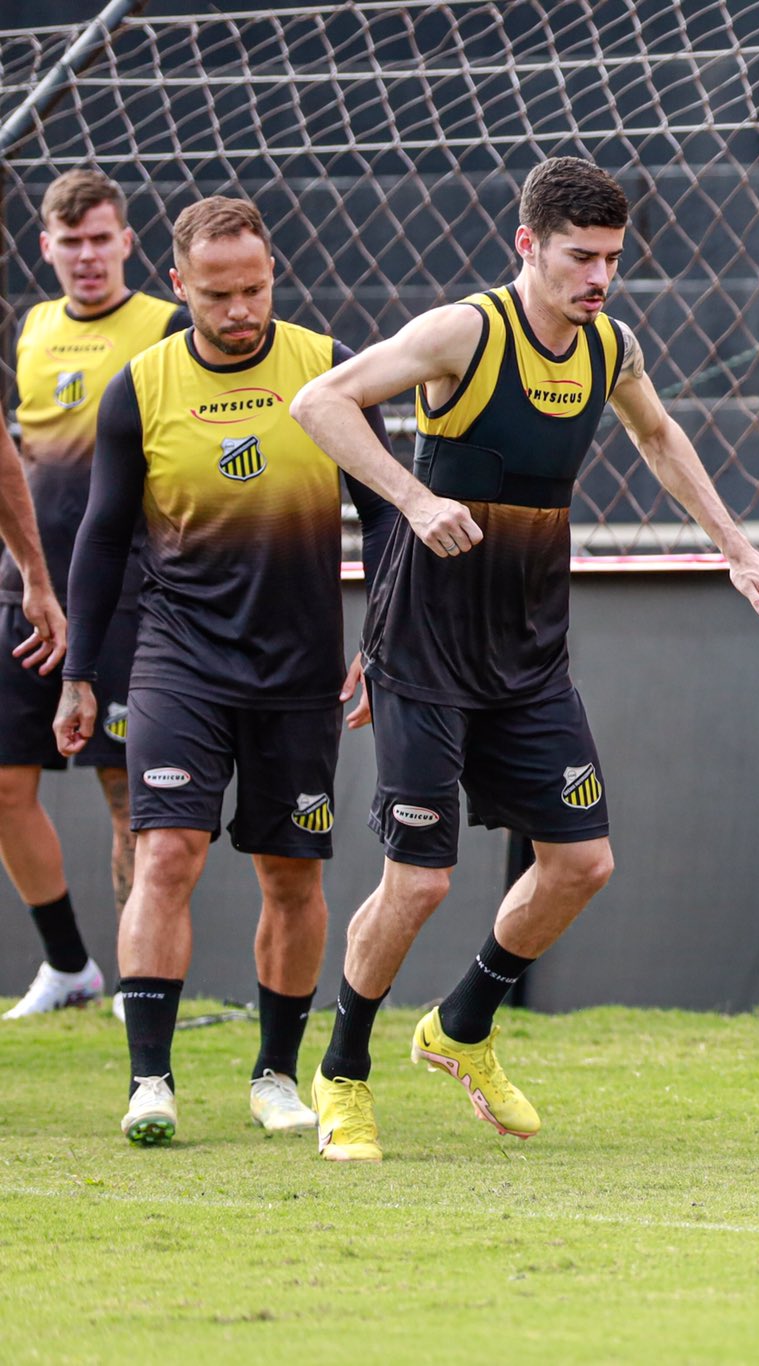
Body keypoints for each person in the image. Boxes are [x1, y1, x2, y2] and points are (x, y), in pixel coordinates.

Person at [290, 156, 759, 1162]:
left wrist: (743, 553)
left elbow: (659, 438)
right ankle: (343, 1073)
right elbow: (319, 403)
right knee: (421, 882)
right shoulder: (465, 333)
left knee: (580, 863)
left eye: (613, 258)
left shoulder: (609, 346)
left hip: (528, 652)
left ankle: (462, 1027)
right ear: (527, 244)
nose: (600, 277)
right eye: (580, 256)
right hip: (424, 647)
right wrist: (413, 497)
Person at [57, 195, 400, 1145]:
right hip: (179, 664)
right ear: (179, 286)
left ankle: (274, 1079)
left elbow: (385, 516)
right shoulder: (141, 386)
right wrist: (81, 673)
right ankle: (150, 1082)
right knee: (168, 852)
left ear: (272, 277)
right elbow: (101, 535)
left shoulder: (327, 369)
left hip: (300, 670)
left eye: (255, 288)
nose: (241, 309)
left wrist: (382, 639)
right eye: (218, 294)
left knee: (292, 874)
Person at [3, 171, 186, 1021]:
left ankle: (134, 977)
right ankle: (70, 966)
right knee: (6, 784)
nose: (85, 256)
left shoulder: (163, 328)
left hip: (123, 595)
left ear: (126, 242)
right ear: (46, 247)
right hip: (25, 591)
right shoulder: (34, 327)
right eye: (68, 242)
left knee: (127, 790)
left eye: (99, 239)